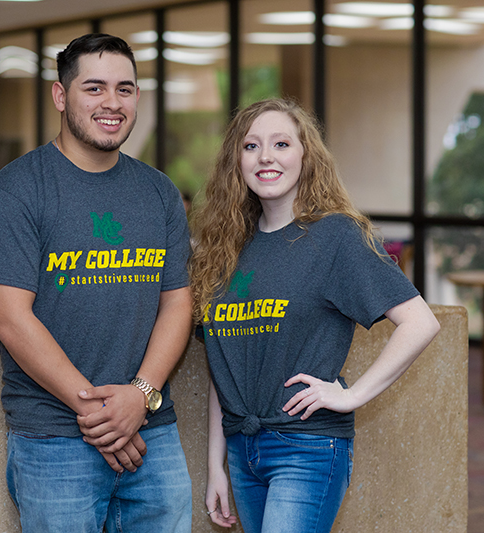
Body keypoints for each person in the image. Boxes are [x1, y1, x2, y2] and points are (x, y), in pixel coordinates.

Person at [0, 33, 193, 532]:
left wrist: (139, 395)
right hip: (55, 439)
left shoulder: (159, 192)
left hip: (152, 435)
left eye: (125, 89)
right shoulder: (17, 190)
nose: (112, 102)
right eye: (94, 88)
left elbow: (178, 303)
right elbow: (9, 318)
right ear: (61, 95)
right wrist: (102, 415)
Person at [188, 98, 440, 532]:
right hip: (243, 452)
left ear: (306, 156)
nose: (266, 156)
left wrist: (351, 395)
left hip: (307, 449)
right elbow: (224, 365)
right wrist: (217, 465)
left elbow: (420, 321)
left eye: (281, 143)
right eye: (251, 146)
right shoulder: (224, 251)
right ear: (236, 162)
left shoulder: (335, 235)